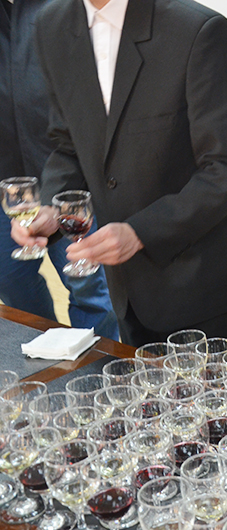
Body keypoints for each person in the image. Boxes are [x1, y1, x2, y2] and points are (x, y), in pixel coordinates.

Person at [11, 0, 227, 347]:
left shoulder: (198, 30)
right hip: (123, 287)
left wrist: (140, 232)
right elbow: (69, 143)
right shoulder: (51, 25)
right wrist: (53, 208)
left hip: (195, 280)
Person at [1, 0, 118, 339]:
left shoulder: (70, 9)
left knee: (90, 291)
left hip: (74, 182)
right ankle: (44, 354)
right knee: (12, 284)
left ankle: (98, 367)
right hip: (6, 190)